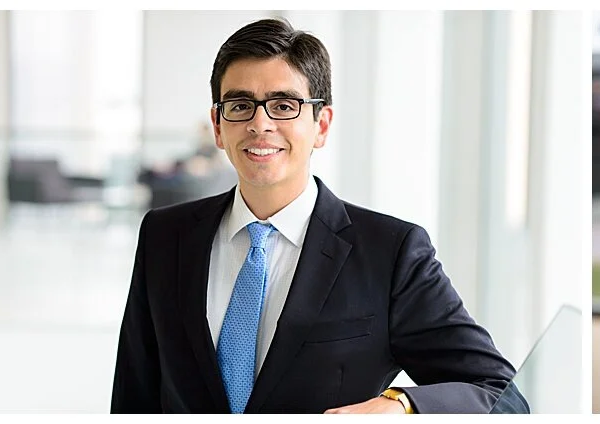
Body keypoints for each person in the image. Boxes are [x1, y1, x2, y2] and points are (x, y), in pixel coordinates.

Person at [113, 18, 519, 414]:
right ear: (218, 126)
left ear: (321, 125)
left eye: (284, 105)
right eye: (240, 105)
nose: (260, 124)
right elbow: (134, 396)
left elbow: (499, 392)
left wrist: (400, 405)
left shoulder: (390, 252)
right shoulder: (165, 236)